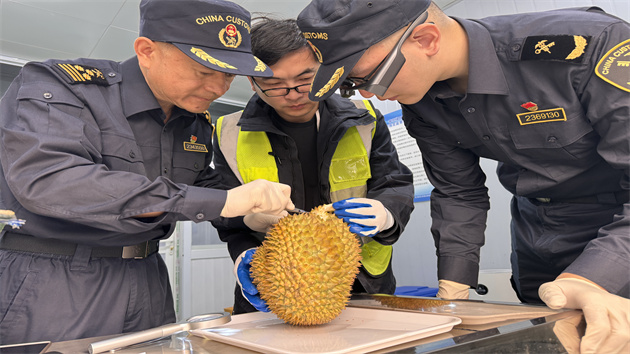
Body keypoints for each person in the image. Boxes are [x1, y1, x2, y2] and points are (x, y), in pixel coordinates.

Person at [297, 0, 630, 353]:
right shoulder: (421, 100)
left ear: (426, 40)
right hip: (535, 229)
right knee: (544, 340)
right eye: (352, 84)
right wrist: (453, 289)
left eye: (370, 78)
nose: (369, 93)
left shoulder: (591, 46)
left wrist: (593, 275)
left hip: (617, 227)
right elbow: (459, 192)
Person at [0, 0, 296, 345]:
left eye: (229, 74)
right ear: (146, 50)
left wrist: (251, 215)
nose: (219, 89)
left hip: (149, 278)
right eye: (205, 71)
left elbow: (199, 186)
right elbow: (51, 181)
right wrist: (226, 201)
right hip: (55, 279)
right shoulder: (64, 88)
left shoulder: (194, 122)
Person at [210, 17, 414, 314]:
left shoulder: (365, 118)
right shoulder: (228, 132)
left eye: (306, 79)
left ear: (325, 70)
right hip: (275, 286)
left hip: (362, 284)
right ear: (252, 83)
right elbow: (224, 215)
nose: (293, 95)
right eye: (275, 84)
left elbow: (393, 184)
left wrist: (385, 214)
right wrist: (243, 253)